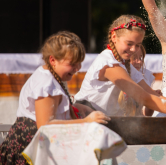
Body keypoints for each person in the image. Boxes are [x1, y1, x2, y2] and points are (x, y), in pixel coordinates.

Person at [0, 31, 110, 164]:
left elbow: (51, 108)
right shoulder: (46, 83)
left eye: (79, 63)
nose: (77, 68)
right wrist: (86, 121)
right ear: (53, 60)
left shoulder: (51, 75)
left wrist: (74, 107)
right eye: (72, 63)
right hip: (29, 149)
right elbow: (45, 124)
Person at [74, 15, 166, 117]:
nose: (134, 49)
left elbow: (153, 95)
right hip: (85, 116)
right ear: (114, 37)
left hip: (100, 118)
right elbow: (144, 97)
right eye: (129, 43)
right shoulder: (108, 63)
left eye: (138, 45)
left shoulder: (124, 65)